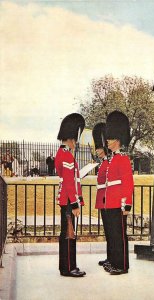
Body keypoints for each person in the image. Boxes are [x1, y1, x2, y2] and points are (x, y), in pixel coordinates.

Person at [55, 113, 86, 278]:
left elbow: (73, 181)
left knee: (68, 232)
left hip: (68, 199)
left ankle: (67, 266)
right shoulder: (66, 155)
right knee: (69, 233)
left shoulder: (64, 154)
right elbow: (68, 182)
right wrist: (74, 204)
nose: (76, 142)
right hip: (68, 201)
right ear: (70, 138)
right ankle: (69, 268)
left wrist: (78, 199)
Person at [103, 110, 134, 275]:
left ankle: (122, 265)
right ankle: (115, 262)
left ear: (117, 139)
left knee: (120, 236)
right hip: (110, 202)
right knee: (114, 236)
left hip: (118, 204)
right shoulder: (113, 159)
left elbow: (128, 184)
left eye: (110, 138)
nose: (107, 140)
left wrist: (126, 204)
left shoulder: (123, 158)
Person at [92, 122, 110, 267]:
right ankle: (109, 256)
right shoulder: (103, 162)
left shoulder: (109, 162)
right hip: (102, 198)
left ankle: (112, 257)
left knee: (111, 231)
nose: (97, 151)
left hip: (107, 199)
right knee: (107, 231)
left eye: (98, 148)